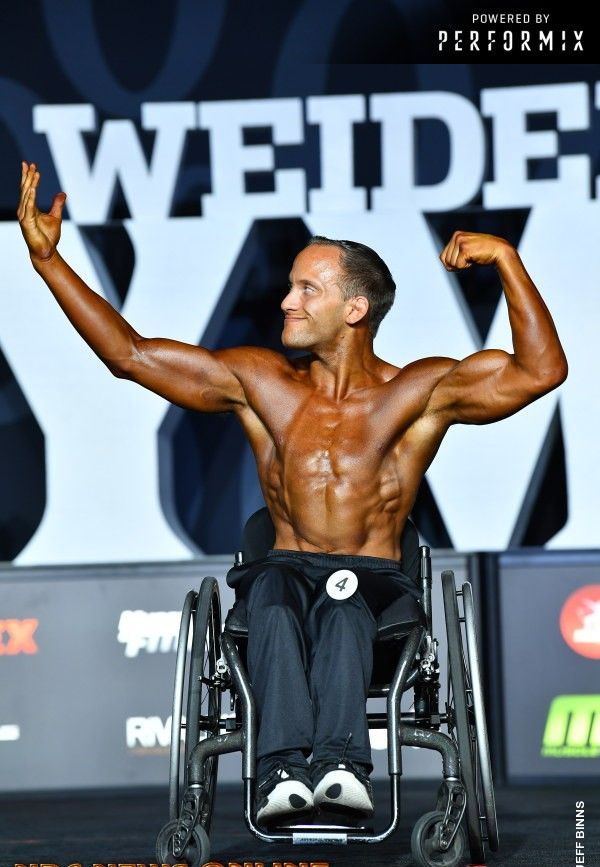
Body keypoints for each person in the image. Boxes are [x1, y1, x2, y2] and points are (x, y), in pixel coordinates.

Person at [17, 161, 567, 825]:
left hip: (375, 585)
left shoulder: (418, 392)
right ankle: (280, 771)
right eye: (289, 286)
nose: (287, 301)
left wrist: (506, 258)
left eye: (309, 288)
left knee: (343, 603)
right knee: (273, 596)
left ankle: (341, 768)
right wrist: (49, 262)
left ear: (354, 309)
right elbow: (130, 355)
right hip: (282, 571)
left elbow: (541, 371)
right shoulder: (262, 383)